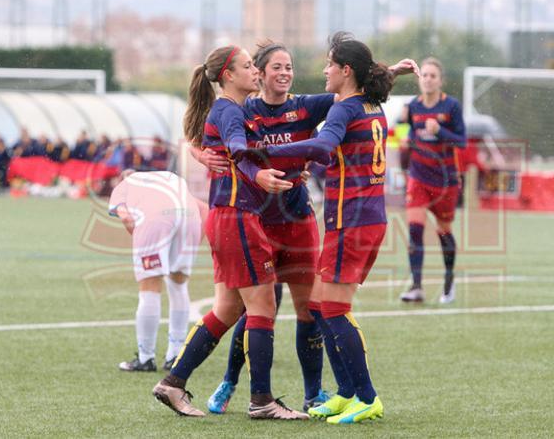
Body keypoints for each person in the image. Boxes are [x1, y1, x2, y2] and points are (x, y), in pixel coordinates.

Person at [197, 41, 418, 415]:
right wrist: (198, 151)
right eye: (275, 67)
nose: (285, 73)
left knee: (315, 309)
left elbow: (328, 135)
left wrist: (269, 155)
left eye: (290, 66)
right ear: (259, 74)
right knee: (257, 309)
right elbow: (212, 135)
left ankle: (330, 393)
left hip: (307, 219)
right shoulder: (240, 108)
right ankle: (231, 382)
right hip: (259, 220)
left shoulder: (311, 105)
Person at [151, 44, 308, 420]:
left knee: (226, 308)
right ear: (229, 76)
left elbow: (234, 145)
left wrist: (279, 170)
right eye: (249, 66)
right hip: (237, 218)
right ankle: (262, 401)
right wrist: (256, 172)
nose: (256, 71)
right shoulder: (229, 111)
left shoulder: (227, 110)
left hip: (227, 218)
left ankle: (173, 383)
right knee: (263, 306)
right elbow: (238, 147)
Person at [109, 170, 207, 372]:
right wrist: (194, 242)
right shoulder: (170, 179)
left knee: (149, 287)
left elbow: (126, 217)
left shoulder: (123, 186)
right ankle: (175, 355)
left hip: (155, 221)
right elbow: (204, 210)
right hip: (190, 218)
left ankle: (146, 358)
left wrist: (141, 242)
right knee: (179, 285)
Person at [399, 57, 466, 305]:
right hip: (418, 178)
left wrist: (440, 131)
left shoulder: (451, 107)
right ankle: (417, 286)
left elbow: (462, 142)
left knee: (443, 231)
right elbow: (410, 135)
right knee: (415, 229)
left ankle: (449, 279)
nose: (427, 79)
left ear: (440, 81)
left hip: (446, 181)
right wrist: (408, 142)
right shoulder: (413, 107)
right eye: (424, 75)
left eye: (432, 76)